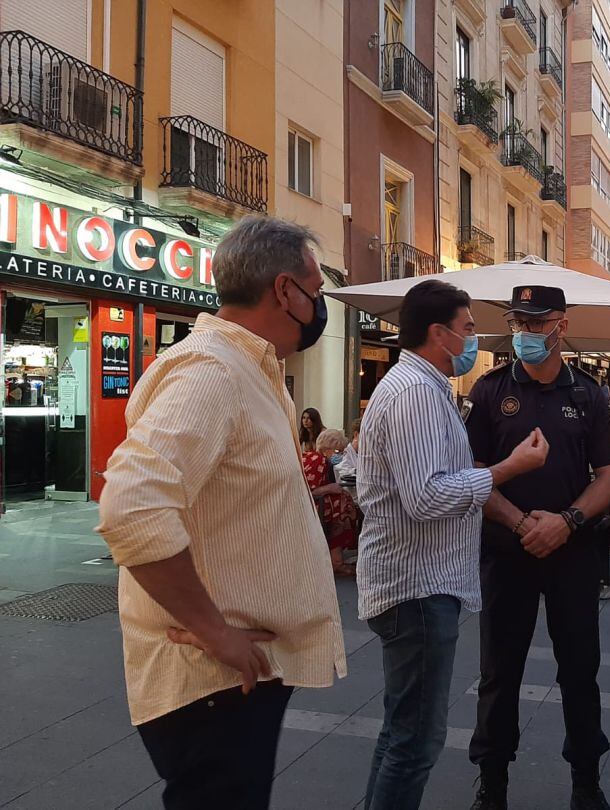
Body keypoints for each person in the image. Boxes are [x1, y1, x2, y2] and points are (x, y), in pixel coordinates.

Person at [96, 216, 347, 809]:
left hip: (235, 678)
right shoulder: (213, 372)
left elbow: (223, 492)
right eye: (314, 292)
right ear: (285, 291)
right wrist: (215, 632)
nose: (317, 308)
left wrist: (295, 501)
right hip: (213, 681)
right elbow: (132, 506)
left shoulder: (253, 371)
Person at [355, 279, 548, 810]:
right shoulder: (415, 393)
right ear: (438, 333)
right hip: (416, 587)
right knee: (416, 741)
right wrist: (510, 468)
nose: (472, 340)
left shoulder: (423, 388)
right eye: (466, 329)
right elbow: (426, 497)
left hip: (418, 581)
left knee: (401, 733)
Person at [464, 285, 610, 810]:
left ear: (562, 325)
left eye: (538, 322)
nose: (527, 332)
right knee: (498, 671)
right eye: (520, 322)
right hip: (507, 552)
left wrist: (568, 521)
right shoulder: (489, 391)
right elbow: (469, 474)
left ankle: (586, 779)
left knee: (580, 668)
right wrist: (518, 524)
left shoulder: (588, 394)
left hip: (572, 552)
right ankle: (493, 782)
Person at [304, 428, 359, 578]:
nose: (339, 455)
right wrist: (330, 488)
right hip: (313, 505)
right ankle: (337, 561)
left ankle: (336, 559)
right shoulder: (318, 461)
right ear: (328, 448)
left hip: (309, 505)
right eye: (337, 451)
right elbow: (310, 491)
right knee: (344, 508)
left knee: (343, 501)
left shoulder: (312, 457)